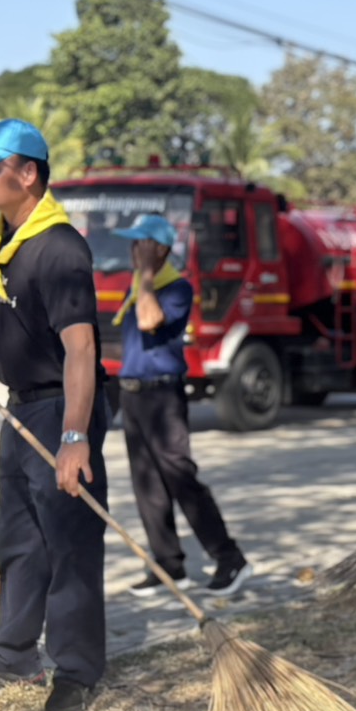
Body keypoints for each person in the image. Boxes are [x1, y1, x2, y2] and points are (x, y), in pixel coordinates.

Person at [0, 118, 108, 711]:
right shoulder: (6, 241)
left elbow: (80, 348)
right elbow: (16, 319)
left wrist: (74, 437)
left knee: (70, 542)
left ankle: (77, 669)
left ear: (29, 173)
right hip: (20, 408)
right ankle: (12, 653)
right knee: (17, 537)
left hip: (62, 407)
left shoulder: (58, 248)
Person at [111, 214, 251, 598]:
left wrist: (145, 274)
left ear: (159, 249)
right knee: (147, 485)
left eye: (140, 244)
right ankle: (167, 565)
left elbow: (149, 320)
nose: (133, 250)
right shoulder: (139, 287)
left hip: (161, 397)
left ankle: (230, 558)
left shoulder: (175, 289)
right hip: (133, 394)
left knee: (180, 477)